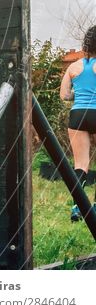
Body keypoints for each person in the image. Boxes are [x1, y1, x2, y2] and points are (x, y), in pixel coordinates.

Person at [60, 25, 96, 221]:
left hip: (78, 114)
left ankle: (77, 208)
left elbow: (64, 95)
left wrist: (80, 94)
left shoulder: (73, 67)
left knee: (80, 164)